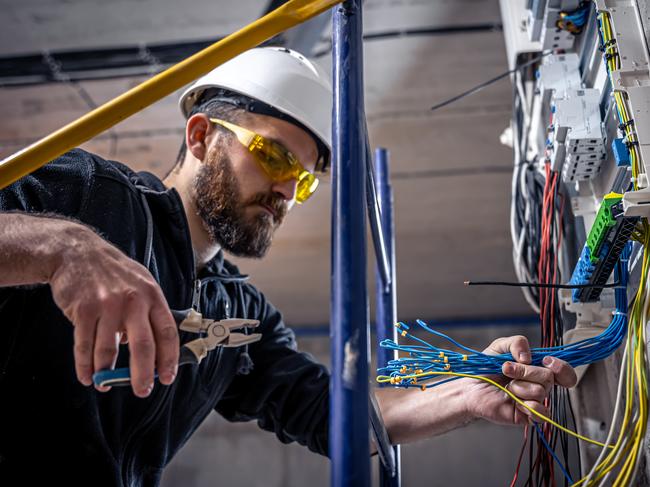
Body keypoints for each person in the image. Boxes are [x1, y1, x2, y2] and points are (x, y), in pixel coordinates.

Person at [0, 47, 576, 486]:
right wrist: (63, 247)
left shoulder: (242, 317)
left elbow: (333, 414)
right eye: (273, 155)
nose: (285, 190)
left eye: (301, 180)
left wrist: (468, 393)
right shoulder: (88, 195)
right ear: (201, 137)